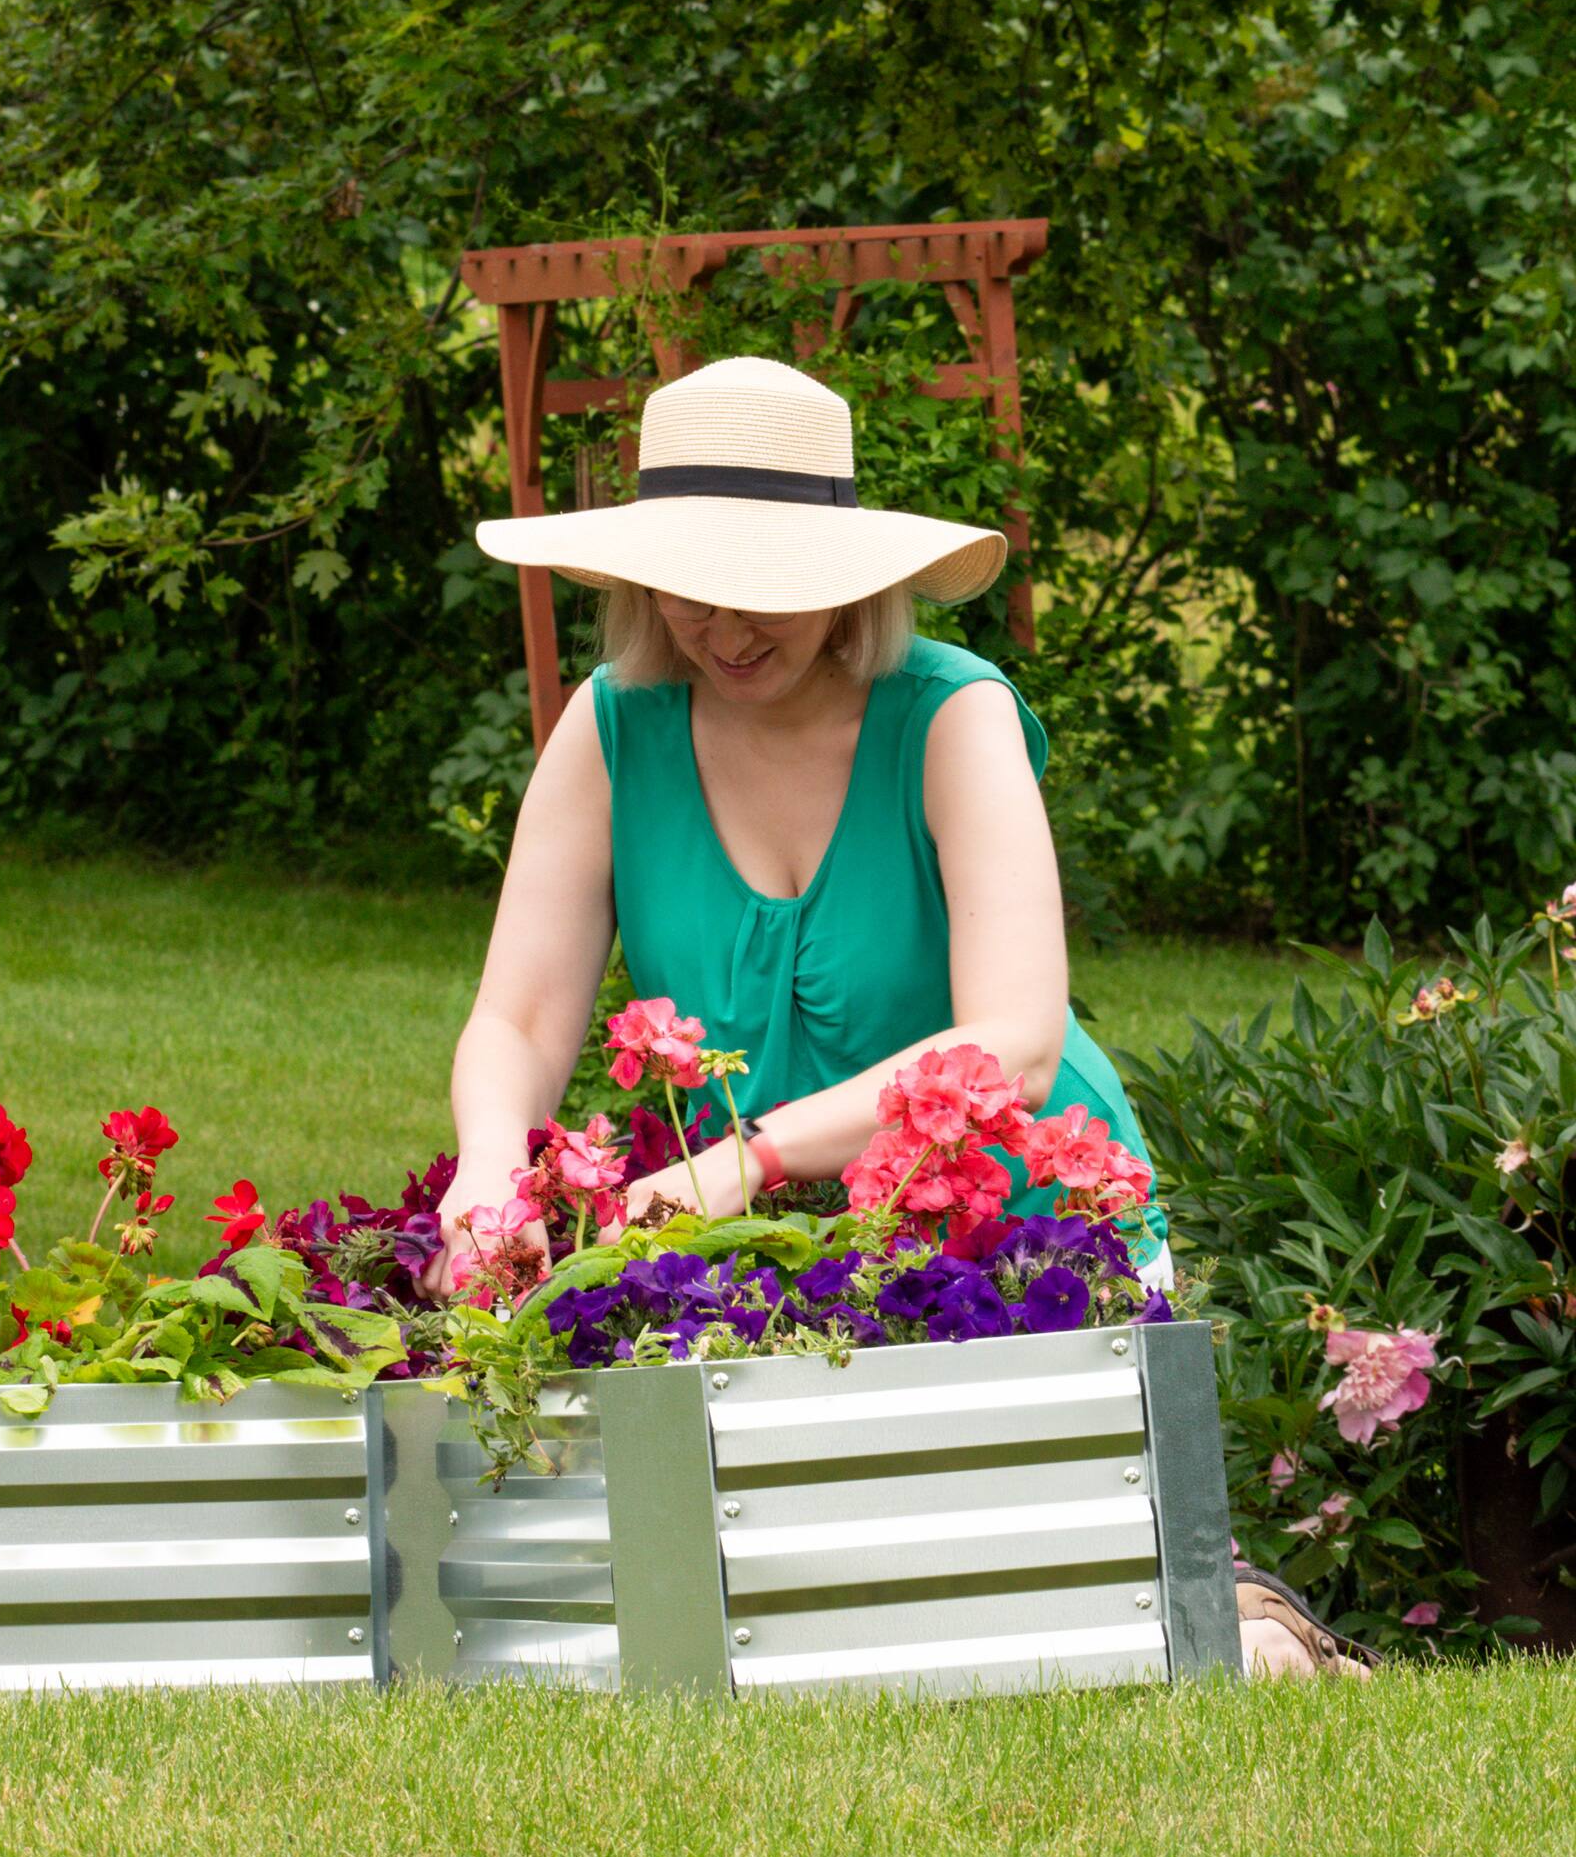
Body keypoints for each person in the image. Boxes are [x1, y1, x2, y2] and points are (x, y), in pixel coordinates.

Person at [431, 352, 1166, 1278]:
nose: (729, 634)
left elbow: (1014, 1044)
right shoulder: (614, 724)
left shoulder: (955, 717)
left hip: (1034, 1247)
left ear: (844, 578)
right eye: (691, 592)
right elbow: (520, 1022)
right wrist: (494, 1165)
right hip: (767, 1247)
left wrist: (750, 1159)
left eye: (766, 592)